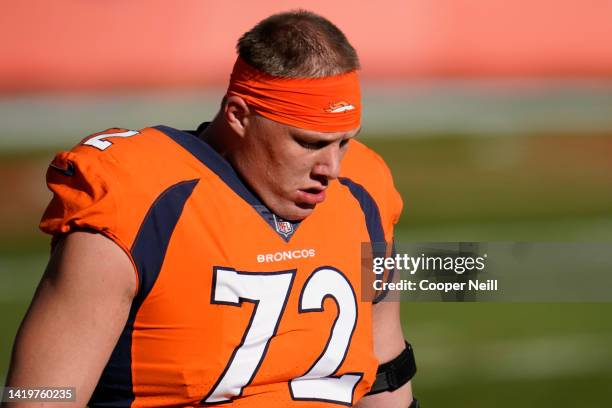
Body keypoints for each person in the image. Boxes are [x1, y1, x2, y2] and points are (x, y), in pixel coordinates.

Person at [4, 10, 417, 408]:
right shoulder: (144, 200)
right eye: (308, 143)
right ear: (238, 115)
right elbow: (39, 397)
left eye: (343, 141)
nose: (331, 169)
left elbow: (385, 365)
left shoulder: (363, 187)